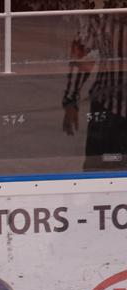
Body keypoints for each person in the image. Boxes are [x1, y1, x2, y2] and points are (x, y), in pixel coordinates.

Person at [61, 0, 127, 170]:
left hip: (108, 106)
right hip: (107, 106)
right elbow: (84, 56)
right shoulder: (100, 17)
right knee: (99, 167)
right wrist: (70, 100)